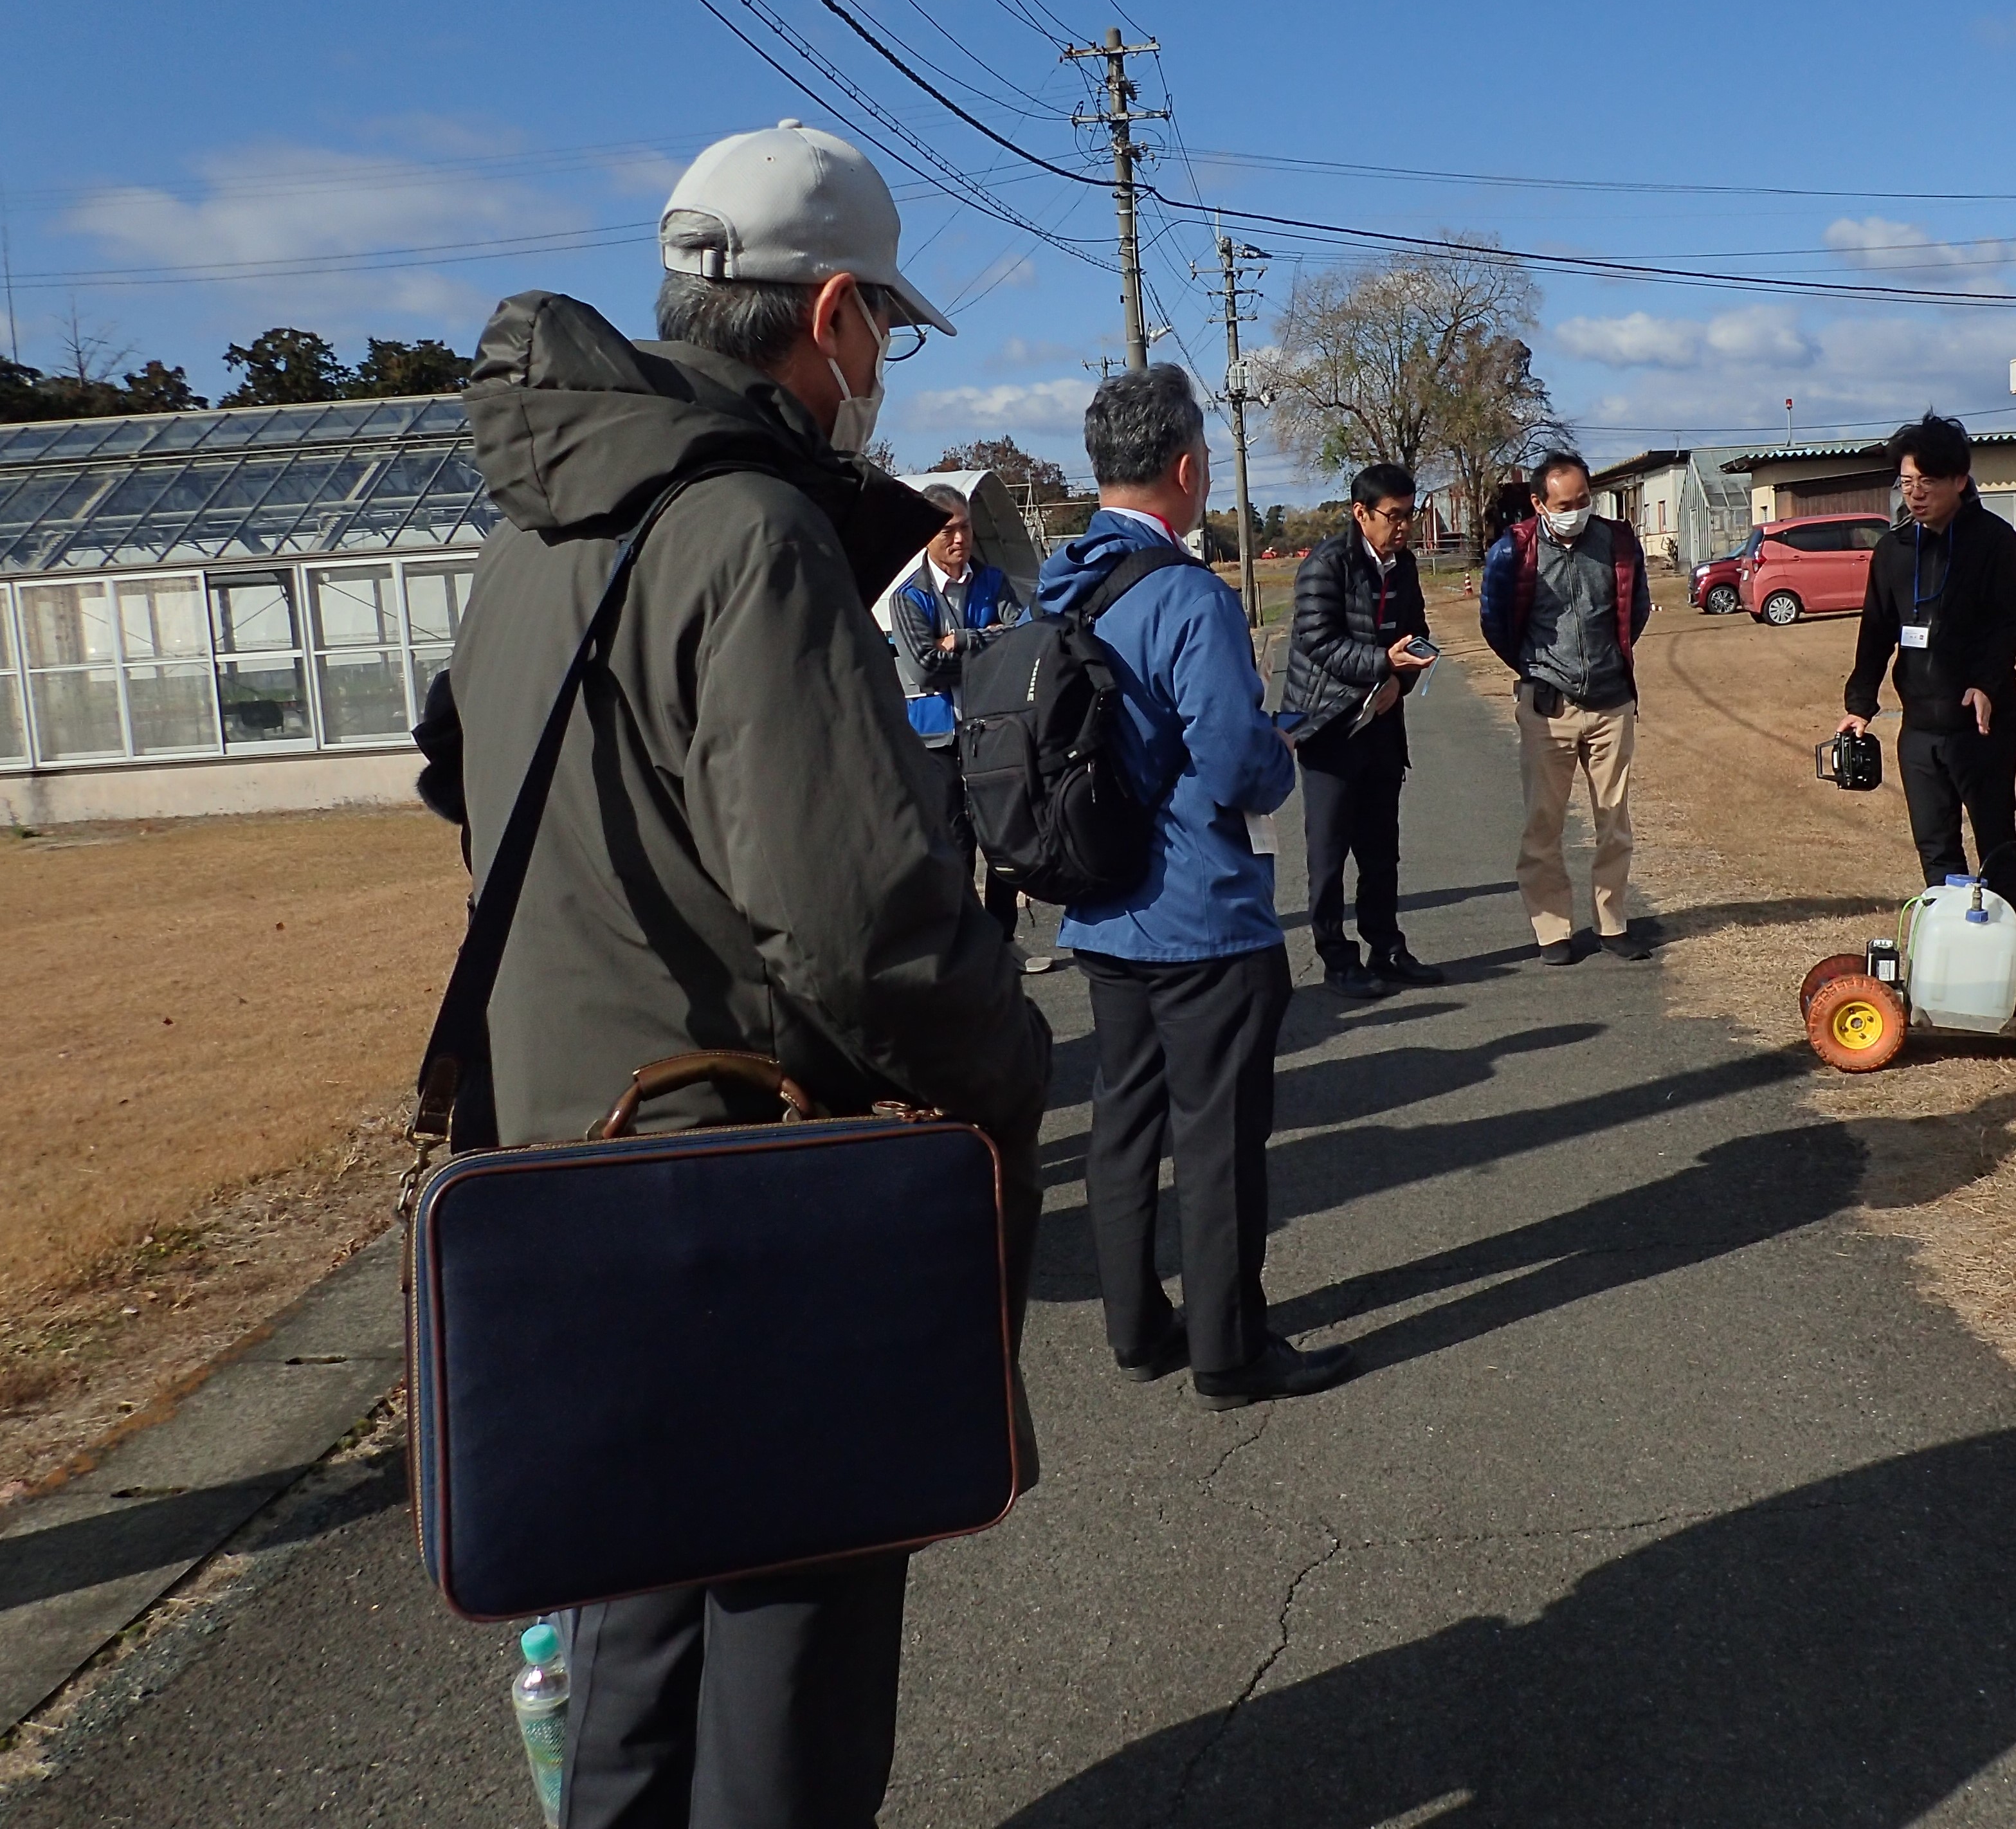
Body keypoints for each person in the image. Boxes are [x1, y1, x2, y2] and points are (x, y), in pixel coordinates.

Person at [431, 121, 1051, 1829]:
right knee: (791, 1648)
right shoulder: (753, 532)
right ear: (831, 313)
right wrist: (1005, 1070)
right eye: (886, 337)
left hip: (571, 1169)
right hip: (749, 1191)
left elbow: (464, 792)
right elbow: (862, 928)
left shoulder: (531, 528)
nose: (879, 373)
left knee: (634, 1629)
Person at [1041, 363, 1355, 1409]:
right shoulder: (1186, 595)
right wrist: (1278, 756)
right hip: (1200, 912)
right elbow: (1232, 758)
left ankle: (1137, 1329)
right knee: (1217, 1140)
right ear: (1185, 466)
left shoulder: (1062, 582)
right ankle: (1227, 1350)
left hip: (1101, 905)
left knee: (1122, 1123)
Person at [1837, 410, 2016, 914]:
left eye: (1927, 482)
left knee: (1996, 841)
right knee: (1935, 845)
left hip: (1981, 725)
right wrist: (1860, 702)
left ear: (1960, 480)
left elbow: (2006, 625)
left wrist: (1986, 684)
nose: (1915, 493)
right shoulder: (1895, 550)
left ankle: (2010, 956)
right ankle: (1958, 950)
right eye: (1906, 482)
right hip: (1920, 726)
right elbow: (1876, 629)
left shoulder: (1994, 541)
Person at [1479, 450, 1655, 965]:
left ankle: (1613, 922)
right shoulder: (1514, 551)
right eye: (1563, 503)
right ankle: (1552, 929)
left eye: (1583, 500)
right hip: (1547, 706)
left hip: (1612, 702)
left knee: (1614, 819)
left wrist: (1609, 663)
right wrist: (1535, 669)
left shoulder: (1618, 543)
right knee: (1543, 823)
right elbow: (1496, 623)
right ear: (1538, 503)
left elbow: (1635, 608)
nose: (1575, 510)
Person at [1280, 461, 1442, 1000]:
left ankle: (1386, 946)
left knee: (1381, 848)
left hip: (1381, 722)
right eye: (1392, 517)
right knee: (1328, 854)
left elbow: (1415, 630)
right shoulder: (1325, 565)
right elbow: (1318, 641)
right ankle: (1336, 956)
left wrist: (1405, 671)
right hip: (1327, 726)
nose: (1402, 527)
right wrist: (1382, 664)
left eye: (1408, 516)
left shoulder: (1406, 566)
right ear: (1360, 513)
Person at [891, 482, 1045, 967]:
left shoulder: (993, 582)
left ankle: (1002, 941)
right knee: (956, 848)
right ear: (926, 538)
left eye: (965, 528)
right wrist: (986, 642)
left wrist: (958, 640)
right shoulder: (909, 597)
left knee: (1003, 837)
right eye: (948, 530)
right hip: (935, 739)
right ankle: (968, 951)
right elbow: (922, 666)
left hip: (989, 731)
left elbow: (1021, 642)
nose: (960, 540)